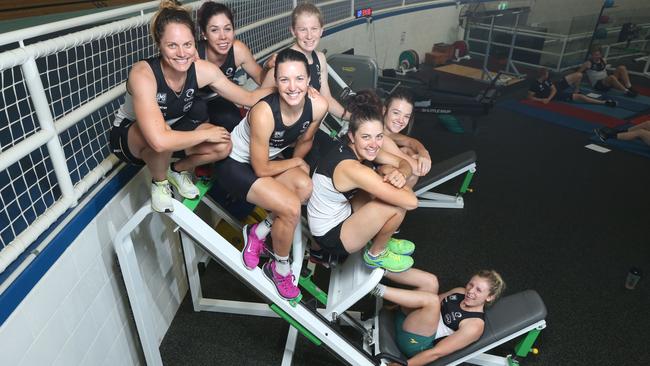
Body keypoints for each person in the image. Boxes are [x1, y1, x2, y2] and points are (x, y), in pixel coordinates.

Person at [108, 0, 272, 213]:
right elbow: (158, 141)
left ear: (195, 44)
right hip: (129, 137)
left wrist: (282, 78)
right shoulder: (143, 74)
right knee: (163, 141)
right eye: (172, 45)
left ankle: (176, 171)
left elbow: (249, 98)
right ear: (159, 44)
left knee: (223, 144)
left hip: (172, 132)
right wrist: (204, 135)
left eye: (187, 44)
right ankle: (159, 182)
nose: (182, 53)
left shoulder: (202, 70)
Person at [213, 48, 328, 300]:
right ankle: (279, 268)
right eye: (284, 79)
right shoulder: (264, 112)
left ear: (309, 80)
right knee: (290, 209)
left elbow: (306, 138)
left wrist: (298, 161)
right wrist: (296, 161)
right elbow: (261, 169)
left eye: (299, 79)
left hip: (267, 161)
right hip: (236, 165)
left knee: (305, 188)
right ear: (276, 81)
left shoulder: (318, 106)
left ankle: (259, 232)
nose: (292, 86)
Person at [307, 90, 418, 273]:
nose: (374, 144)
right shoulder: (351, 168)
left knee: (385, 176)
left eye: (379, 136)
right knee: (396, 206)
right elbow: (412, 202)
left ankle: (383, 238)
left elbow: (403, 163)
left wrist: (401, 174)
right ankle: (376, 254)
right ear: (352, 136)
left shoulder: (360, 148)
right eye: (366, 137)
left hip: (342, 212)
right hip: (331, 236)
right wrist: (390, 175)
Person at [372, 269, 506, 365]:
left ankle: (374, 288)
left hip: (415, 343)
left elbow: (437, 352)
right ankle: (378, 268)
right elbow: (419, 300)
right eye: (471, 284)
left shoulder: (475, 325)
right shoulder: (459, 292)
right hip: (407, 319)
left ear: (489, 297)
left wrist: (405, 365)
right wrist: (395, 307)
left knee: (433, 302)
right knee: (431, 282)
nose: (470, 291)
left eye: (478, 290)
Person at [196, 1, 268, 132]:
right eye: (214, 30)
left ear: (233, 30)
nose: (223, 36)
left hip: (218, 98)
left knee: (233, 122)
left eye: (227, 29)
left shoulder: (238, 50)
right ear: (204, 34)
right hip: (192, 102)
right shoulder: (194, 54)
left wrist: (272, 69)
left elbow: (262, 78)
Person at [378, 90, 432, 188]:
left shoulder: (386, 132)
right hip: (365, 192)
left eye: (406, 116)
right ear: (384, 110)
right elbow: (418, 169)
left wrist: (424, 153)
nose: (401, 120)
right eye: (396, 113)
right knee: (390, 169)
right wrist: (411, 154)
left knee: (408, 152)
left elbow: (411, 141)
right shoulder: (381, 138)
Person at [528, 68, 617, 107]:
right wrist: (542, 100)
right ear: (543, 75)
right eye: (547, 73)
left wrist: (548, 99)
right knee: (580, 97)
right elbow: (530, 97)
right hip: (558, 95)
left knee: (578, 75)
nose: (548, 74)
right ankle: (604, 102)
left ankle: (577, 89)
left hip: (556, 88)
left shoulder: (546, 80)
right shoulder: (534, 84)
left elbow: (553, 89)